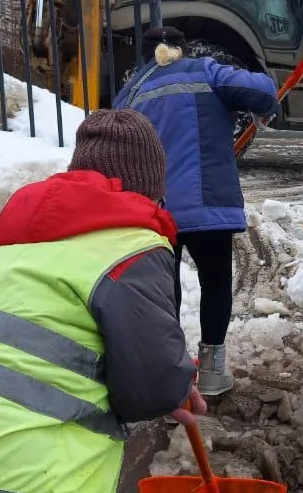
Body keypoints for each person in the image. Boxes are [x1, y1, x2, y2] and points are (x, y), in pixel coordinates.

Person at [0, 109, 206, 493]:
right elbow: (152, 389)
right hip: (11, 473)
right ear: (152, 190)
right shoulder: (131, 246)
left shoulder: (12, 248)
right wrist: (176, 381)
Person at [113, 26, 279, 396]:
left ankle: (169, 375)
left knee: (162, 288)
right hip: (206, 201)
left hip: (153, 209)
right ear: (183, 48)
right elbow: (261, 91)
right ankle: (212, 372)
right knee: (216, 280)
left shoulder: (130, 92)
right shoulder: (206, 70)